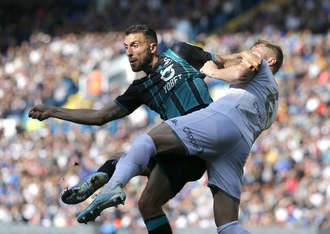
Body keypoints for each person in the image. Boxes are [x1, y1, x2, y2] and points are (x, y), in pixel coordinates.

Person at [28, 24, 260, 233]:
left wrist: (245, 56)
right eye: (126, 47)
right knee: (144, 198)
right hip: (183, 151)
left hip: (201, 131)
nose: (129, 52)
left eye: (135, 45)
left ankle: (112, 185)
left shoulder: (180, 52)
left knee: (144, 146)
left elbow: (220, 60)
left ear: (152, 46)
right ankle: (106, 177)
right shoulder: (140, 88)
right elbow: (100, 115)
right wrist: (54, 111)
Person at [76, 40, 283, 234]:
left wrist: (214, 71)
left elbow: (240, 72)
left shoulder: (260, 65)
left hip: (224, 122)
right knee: (228, 225)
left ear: (270, 60)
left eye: (257, 47)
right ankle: (113, 177)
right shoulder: (273, 102)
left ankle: (113, 186)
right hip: (239, 147)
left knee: (148, 141)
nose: (251, 50)